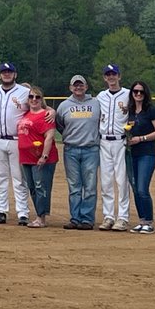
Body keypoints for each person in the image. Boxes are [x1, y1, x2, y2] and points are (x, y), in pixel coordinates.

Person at [0, 61, 31, 226]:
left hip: (17, 139)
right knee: (0, 177)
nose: (6, 74)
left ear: (15, 74)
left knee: (19, 178)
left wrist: (52, 111)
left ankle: (23, 212)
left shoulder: (25, 92)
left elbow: (40, 106)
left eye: (9, 72)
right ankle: (1, 210)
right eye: (4, 72)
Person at [55, 74, 101, 230]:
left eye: (81, 85)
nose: (78, 87)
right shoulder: (64, 105)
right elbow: (59, 124)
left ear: (86, 87)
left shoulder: (96, 103)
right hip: (71, 149)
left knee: (90, 186)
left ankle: (87, 219)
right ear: (70, 87)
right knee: (74, 186)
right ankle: (75, 218)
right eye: (75, 85)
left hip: (91, 149)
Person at [96, 63, 132, 232]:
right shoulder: (100, 96)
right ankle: (108, 216)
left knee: (122, 180)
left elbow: (135, 115)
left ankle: (123, 217)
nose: (111, 77)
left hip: (120, 141)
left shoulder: (128, 95)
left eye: (114, 74)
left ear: (119, 76)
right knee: (106, 181)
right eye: (108, 75)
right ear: (105, 78)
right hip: (103, 142)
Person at [125, 81, 155, 234]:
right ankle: (142, 221)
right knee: (135, 188)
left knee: (142, 188)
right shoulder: (131, 112)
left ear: (146, 93)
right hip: (132, 153)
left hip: (147, 153)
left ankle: (149, 221)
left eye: (141, 92)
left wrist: (141, 138)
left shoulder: (151, 110)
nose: (138, 94)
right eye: (135, 91)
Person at [17, 85, 58, 228]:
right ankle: (38, 216)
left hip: (41, 158)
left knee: (41, 187)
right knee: (33, 187)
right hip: (26, 157)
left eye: (37, 97)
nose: (34, 99)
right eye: (31, 97)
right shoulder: (25, 114)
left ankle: (41, 218)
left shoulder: (46, 115)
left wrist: (44, 156)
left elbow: (49, 136)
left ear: (42, 99)